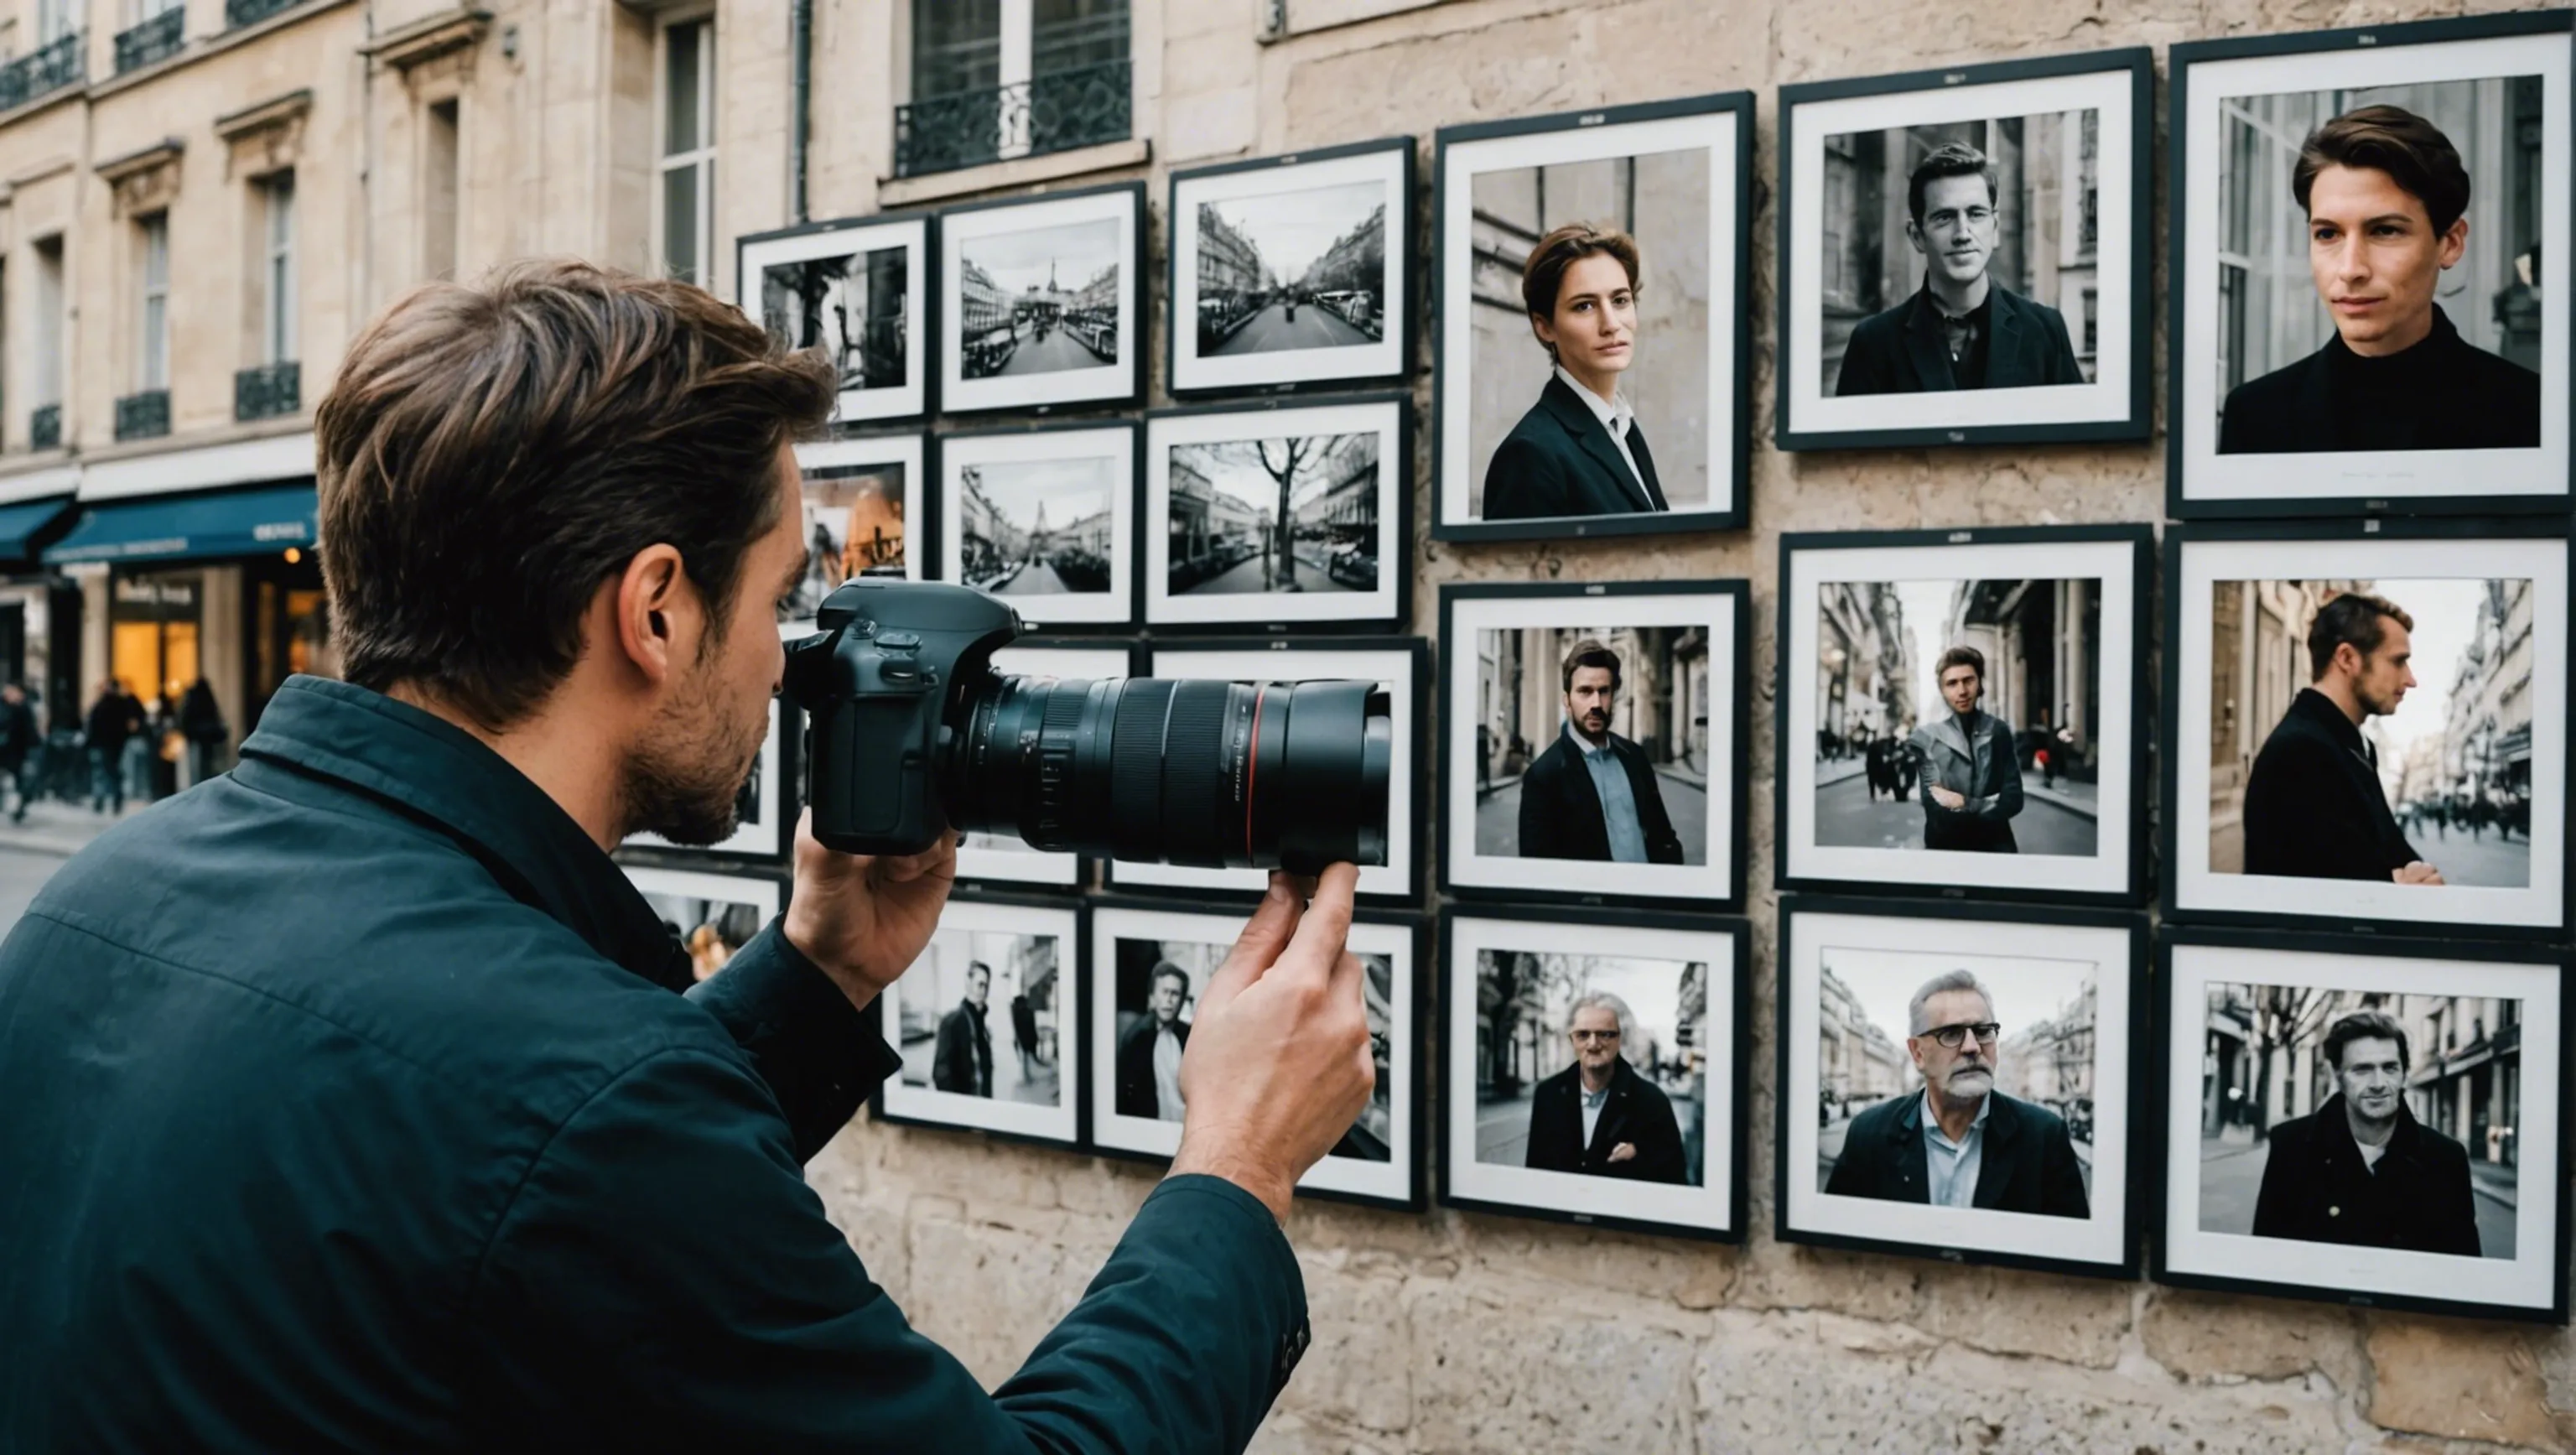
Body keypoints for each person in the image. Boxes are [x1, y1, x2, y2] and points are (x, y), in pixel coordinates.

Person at [0, 260, 1379, 1452]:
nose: (789, 660)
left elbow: (485, 1219)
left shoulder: (88, 913)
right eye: (780, 596)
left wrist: (813, 974)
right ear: (654, 612)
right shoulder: (584, 1105)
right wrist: (1237, 1168)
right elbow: (553, 1156)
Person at [2220, 106, 2541, 454]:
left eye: (2385, 231)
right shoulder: (2254, 416)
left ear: (2450, 243)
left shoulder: (2530, 411)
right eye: (2328, 234)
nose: (2350, 269)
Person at [1822, 970, 2090, 1219]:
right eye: (1951, 1034)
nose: (1973, 1047)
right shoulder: (1869, 1135)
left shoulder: (2044, 1137)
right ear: (1918, 1053)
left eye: (1983, 1031)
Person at [1833, 143, 2087, 395]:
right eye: (1944, 217)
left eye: (1976, 214)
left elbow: (2077, 434)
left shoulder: (2044, 330)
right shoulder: (1873, 343)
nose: (1963, 234)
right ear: (1917, 236)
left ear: (1994, 225)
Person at [2241, 591, 2444, 885]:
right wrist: (2398, 887)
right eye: (2398, 661)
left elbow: (2391, 853)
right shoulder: (2301, 752)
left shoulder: (2349, 743)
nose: (2410, 680)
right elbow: (2327, 894)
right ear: (2347, 658)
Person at [2251, 1011, 2480, 1255]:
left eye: (2390, 1068)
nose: (2378, 1083)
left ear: (2404, 1074)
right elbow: (2267, 1257)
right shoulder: (2290, 1146)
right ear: (2338, 1076)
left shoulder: (2446, 1158)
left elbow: (2464, 1269)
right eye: (2362, 1069)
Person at [1483, 224, 1671, 521]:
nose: (1611, 324)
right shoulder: (1530, 455)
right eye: (1584, 306)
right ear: (1544, 327)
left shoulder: (1623, 427)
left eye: (1620, 300)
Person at [1516, 639, 1686, 864]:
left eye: (1603, 691)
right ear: (1567, 700)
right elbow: (1537, 871)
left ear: (1613, 696)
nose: (1596, 703)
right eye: (1585, 692)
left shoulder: (1634, 756)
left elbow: (1663, 836)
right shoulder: (1543, 776)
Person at [1522, 993, 1688, 1183]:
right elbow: (1534, 1177)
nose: (1593, 1044)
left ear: (1620, 1039)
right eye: (1583, 1035)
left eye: (1604, 1034)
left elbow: (1674, 1181)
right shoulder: (1548, 1095)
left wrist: (1639, 1156)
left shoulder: (1652, 1102)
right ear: (1571, 1039)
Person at [1908, 646, 2023, 853]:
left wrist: (1963, 803)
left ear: (1979, 684)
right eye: (1952, 684)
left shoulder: (1998, 731)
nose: (1962, 691)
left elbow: (2013, 800)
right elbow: (1935, 807)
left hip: (1995, 847)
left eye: (1968, 680)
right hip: (1945, 849)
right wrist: (1985, 805)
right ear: (1942, 691)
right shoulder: (1929, 739)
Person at [1117, 960, 1193, 1121]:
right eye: (1164, 992)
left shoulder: (1188, 1035)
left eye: (1175, 994)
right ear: (1153, 996)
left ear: (1182, 1000)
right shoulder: (1137, 1038)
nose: (1169, 1000)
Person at [932, 961, 995, 1098]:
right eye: (980, 984)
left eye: (986, 986)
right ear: (968, 983)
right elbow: (941, 1075)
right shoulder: (952, 1023)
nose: (983, 991)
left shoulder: (982, 1027)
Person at [82, 678, 142, 816]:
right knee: (110, 773)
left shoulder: (106, 704)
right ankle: (110, 801)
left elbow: (94, 725)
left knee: (104, 773)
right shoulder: (120, 704)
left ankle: (103, 801)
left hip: (106, 744)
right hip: (114, 744)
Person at [178, 676, 228, 789]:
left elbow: (184, 717)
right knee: (207, 766)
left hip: (195, 738)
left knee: (196, 768)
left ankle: (198, 788)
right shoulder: (208, 698)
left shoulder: (192, 697)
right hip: (207, 739)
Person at [0, 683, 35, 823]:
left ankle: (19, 808)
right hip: (6, 752)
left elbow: (29, 732)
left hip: (19, 752)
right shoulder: (4, 708)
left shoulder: (24, 709)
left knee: (21, 782)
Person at [1010, 989, 1041, 1083]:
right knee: (1026, 1058)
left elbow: (1019, 1026)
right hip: (1026, 1038)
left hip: (1024, 1038)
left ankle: (1027, 1077)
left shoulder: (1018, 1012)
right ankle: (1027, 1077)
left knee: (1025, 1059)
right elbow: (1030, 1026)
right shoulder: (1026, 1012)